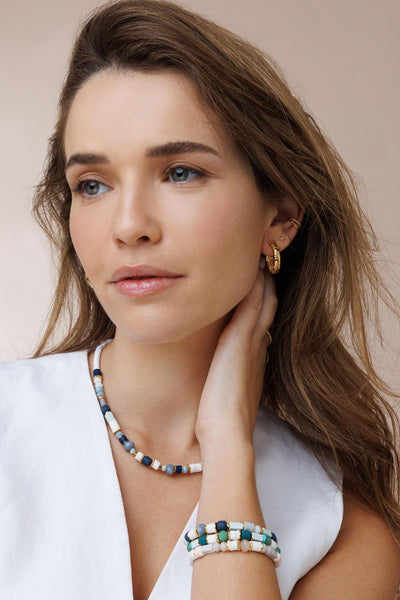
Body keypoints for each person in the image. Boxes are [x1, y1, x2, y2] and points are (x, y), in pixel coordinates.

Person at [1, 0, 399, 598]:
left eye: (180, 172)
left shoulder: (340, 530)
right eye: (93, 184)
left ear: (281, 217)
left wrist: (228, 449)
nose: (129, 225)